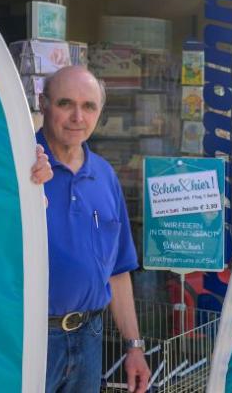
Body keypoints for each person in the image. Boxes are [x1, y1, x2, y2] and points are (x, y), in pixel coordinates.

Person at [37, 65, 150, 393]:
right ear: (43, 104)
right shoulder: (17, 163)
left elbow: (117, 270)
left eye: (89, 107)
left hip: (89, 337)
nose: (77, 117)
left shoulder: (104, 175)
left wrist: (134, 346)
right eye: (65, 104)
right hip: (30, 337)